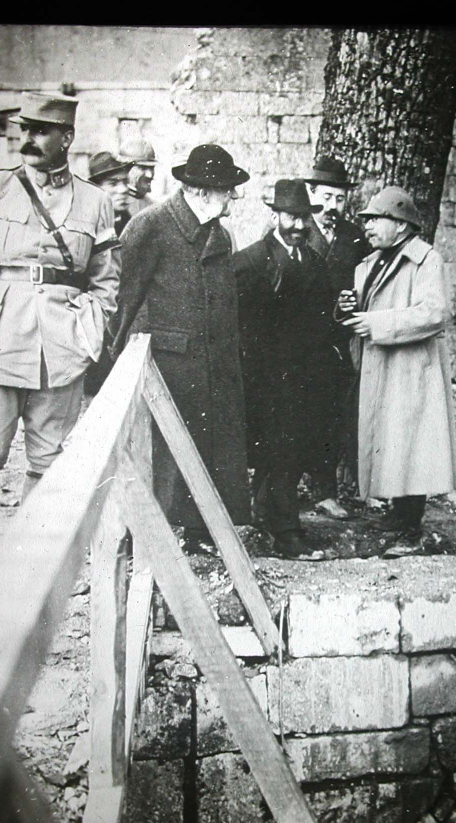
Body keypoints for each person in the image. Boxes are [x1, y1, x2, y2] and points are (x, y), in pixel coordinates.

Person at [0, 92, 121, 584]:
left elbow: (106, 278)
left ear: (66, 138)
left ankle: (24, 567)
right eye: (24, 129)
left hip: (61, 347)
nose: (27, 139)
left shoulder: (96, 200)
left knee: (48, 459)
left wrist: (90, 328)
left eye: (40, 131)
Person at [109, 144, 251, 556]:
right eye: (229, 190)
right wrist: (121, 369)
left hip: (215, 365)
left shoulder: (218, 234)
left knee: (211, 448)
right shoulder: (149, 226)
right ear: (203, 192)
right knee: (164, 455)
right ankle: (152, 538)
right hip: (168, 367)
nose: (234, 198)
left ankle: (201, 531)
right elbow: (125, 300)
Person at [338, 185, 456, 544]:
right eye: (367, 220)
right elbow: (367, 307)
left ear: (402, 225)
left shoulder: (426, 260)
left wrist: (376, 324)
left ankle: (410, 522)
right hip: (382, 364)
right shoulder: (371, 262)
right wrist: (347, 307)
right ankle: (396, 514)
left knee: (411, 442)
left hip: (410, 368)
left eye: (377, 219)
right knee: (392, 440)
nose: (368, 227)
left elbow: (434, 313)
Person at [233, 179, 342, 560]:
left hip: (304, 378)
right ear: (276, 215)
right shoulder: (250, 261)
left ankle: (265, 514)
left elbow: (321, 318)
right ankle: (287, 535)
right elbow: (237, 324)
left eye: (304, 219)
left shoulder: (312, 262)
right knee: (278, 451)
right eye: (291, 217)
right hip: (264, 379)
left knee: (290, 452)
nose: (298, 226)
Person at [303, 157, 372, 511]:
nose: (332, 207)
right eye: (326, 197)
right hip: (299, 341)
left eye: (340, 200)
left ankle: (328, 490)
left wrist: (351, 300)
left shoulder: (353, 238)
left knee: (335, 414)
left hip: (339, 341)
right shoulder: (296, 229)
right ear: (310, 194)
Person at [83, 151, 133, 398]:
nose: (123, 189)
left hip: (125, 329)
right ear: (96, 189)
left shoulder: (133, 226)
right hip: (93, 328)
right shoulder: (83, 228)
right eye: (114, 183)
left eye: (125, 181)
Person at [118, 138, 159, 213]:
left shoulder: (155, 207)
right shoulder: (117, 205)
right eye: (143, 168)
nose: (149, 175)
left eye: (151, 168)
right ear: (125, 168)